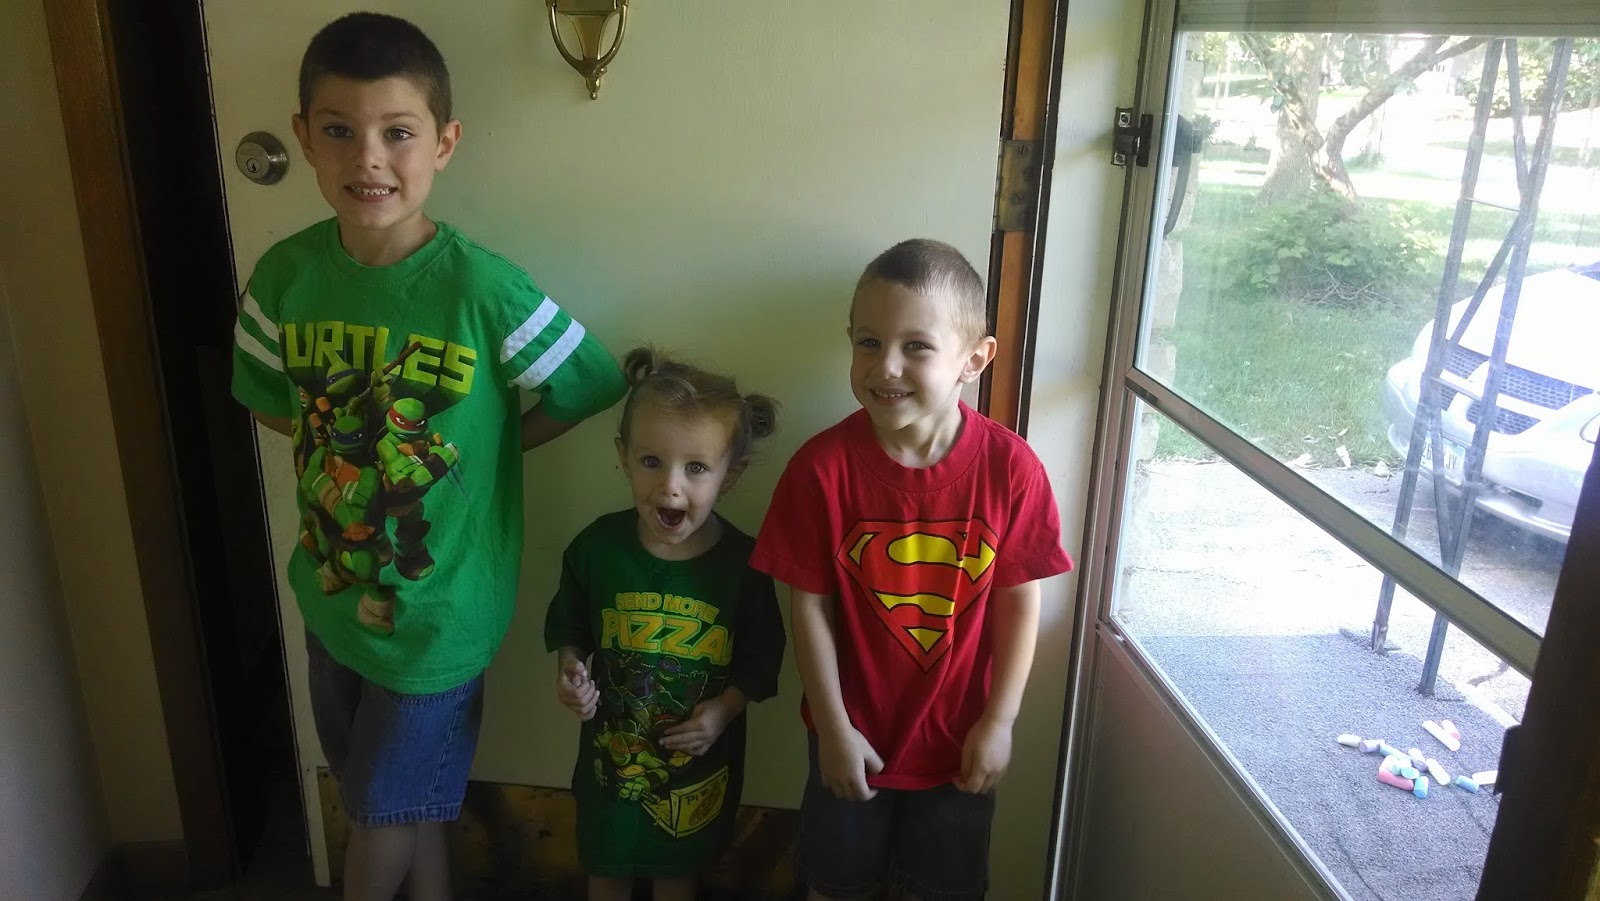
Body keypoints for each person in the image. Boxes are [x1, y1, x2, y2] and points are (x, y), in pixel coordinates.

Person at [229, 13, 625, 900]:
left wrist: (495, 450)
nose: (368, 159)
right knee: (401, 801)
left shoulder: (482, 287)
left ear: (443, 144)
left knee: (381, 815)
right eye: (339, 131)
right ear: (304, 138)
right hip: (330, 594)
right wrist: (351, 458)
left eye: (397, 133)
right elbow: (262, 395)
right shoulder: (285, 276)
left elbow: (591, 380)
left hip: (439, 614)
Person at [750, 239, 1074, 900]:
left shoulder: (1011, 470)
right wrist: (834, 729)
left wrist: (999, 722)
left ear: (974, 359)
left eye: (916, 346)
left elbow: (1020, 603)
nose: (886, 366)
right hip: (851, 738)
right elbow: (807, 607)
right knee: (834, 884)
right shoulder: (819, 471)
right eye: (868, 342)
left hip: (960, 745)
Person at [545, 347, 786, 901]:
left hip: (695, 768)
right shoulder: (597, 548)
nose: (670, 486)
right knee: (606, 865)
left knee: (678, 873)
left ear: (730, 475)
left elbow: (762, 657)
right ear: (624, 456)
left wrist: (724, 712)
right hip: (610, 763)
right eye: (651, 461)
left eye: (696, 468)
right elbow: (570, 625)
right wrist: (570, 672)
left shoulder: (745, 565)